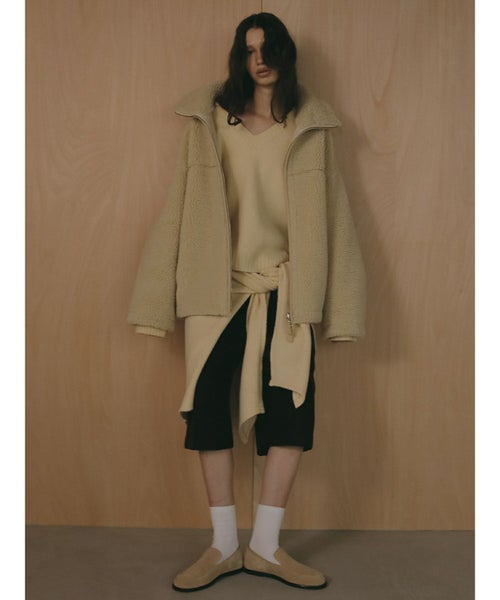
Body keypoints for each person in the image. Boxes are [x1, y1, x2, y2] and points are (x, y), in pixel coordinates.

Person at [127, 11, 366, 593]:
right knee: (207, 412)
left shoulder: (310, 125)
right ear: (239, 57)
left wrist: (344, 309)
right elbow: (180, 203)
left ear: (286, 54)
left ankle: (264, 547)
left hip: (287, 293)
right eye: (250, 50)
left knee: (290, 415)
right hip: (216, 290)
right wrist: (154, 301)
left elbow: (335, 217)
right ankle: (222, 545)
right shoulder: (211, 121)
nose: (261, 60)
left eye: (270, 48)